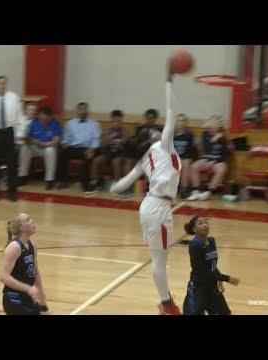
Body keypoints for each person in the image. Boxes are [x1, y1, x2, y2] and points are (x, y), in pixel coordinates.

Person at [110, 65, 182, 315]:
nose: (160, 132)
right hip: (158, 207)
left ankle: (166, 302)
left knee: (159, 257)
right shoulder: (164, 146)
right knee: (160, 259)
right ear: (156, 137)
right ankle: (166, 304)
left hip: (150, 206)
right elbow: (172, 111)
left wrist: (114, 187)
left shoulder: (145, 159)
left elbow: (123, 184)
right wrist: (169, 83)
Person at [182, 216, 240, 315]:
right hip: (198, 289)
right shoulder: (195, 245)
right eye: (200, 223)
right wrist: (227, 278)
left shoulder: (212, 241)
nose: (205, 225)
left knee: (225, 312)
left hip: (212, 287)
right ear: (194, 229)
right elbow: (203, 271)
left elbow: (211, 265)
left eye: (205, 222)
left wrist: (219, 277)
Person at [0, 213, 50, 315]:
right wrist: (29, 289)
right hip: (13, 298)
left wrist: (42, 301)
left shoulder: (33, 246)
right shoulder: (14, 247)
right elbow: (3, 277)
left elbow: (35, 272)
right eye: (28, 220)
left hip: (28, 298)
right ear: (21, 228)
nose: (32, 221)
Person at [173, 113, 194, 199]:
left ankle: (184, 189)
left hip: (184, 157)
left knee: (186, 163)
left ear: (186, 123)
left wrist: (183, 159)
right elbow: (166, 148)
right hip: (172, 157)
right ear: (176, 122)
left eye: (183, 121)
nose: (180, 123)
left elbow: (189, 150)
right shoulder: (171, 133)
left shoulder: (189, 134)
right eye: (179, 121)